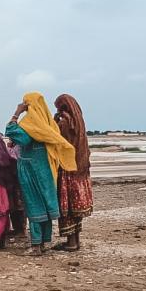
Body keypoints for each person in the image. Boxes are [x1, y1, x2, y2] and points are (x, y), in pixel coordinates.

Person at [6, 92, 77, 256]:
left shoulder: (29, 122)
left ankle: (36, 246)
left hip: (31, 169)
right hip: (46, 167)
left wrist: (17, 112)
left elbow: (13, 132)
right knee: (45, 203)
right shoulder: (48, 122)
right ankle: (45, 242)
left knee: (34, 205)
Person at [53, 94, 94, 251]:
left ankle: (71, 242)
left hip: (67, 170)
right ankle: (75, 240)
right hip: (79, 170)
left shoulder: (65, 122)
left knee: (68, 206)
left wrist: (55, 120)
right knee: (75, 209)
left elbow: (56, 138)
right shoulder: (79, 122)